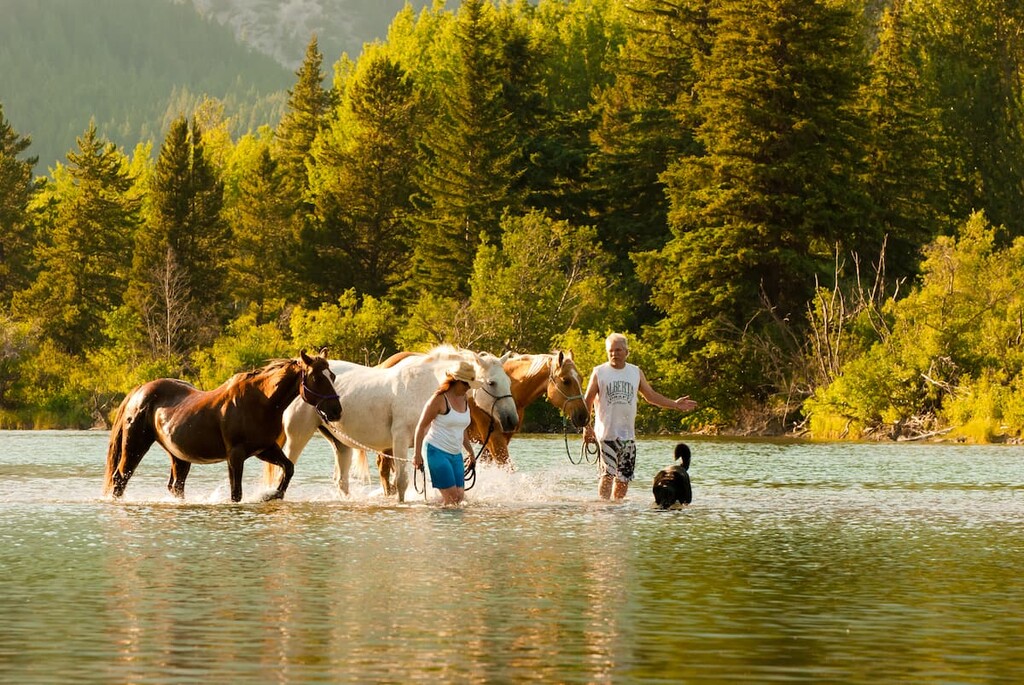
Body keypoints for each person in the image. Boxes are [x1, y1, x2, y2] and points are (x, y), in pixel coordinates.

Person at [583, 332, 698, 500]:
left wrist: (675, 404)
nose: (614, 354)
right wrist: (586, 428)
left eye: (618, 350)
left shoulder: (635, 372)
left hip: (628, 436)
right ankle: (603, 508)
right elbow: (587, 401)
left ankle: (617, 508)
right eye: (611, 351)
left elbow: (651, 396)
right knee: (607, 475)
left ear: (627, 352)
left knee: (624, 478)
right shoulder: (599, 372)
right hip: (606, 435)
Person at [413, 360, 480, 505]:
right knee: (452, 499)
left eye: (470, 384)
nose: (468, 387)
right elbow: (421, 426)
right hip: (436, 451)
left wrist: (470, 452)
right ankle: (440, 526)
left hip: (456, 454)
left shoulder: (465, 399)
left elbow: (461, 430)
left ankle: (432, 512)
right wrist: (417, 455)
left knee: (460, 497)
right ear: (456, 380)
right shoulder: (438, 399)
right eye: (466, 384)